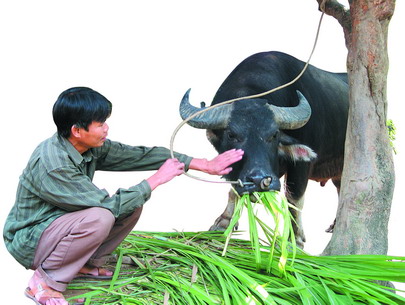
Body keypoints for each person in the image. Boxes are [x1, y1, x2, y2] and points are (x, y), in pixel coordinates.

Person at [3, 87, 244, 305]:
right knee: (101, 217)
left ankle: (85, 264)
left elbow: (139, 155)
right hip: (30, 238)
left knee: (130, 204)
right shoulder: (53, 164)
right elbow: (107, 207)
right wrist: (156, 180)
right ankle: (44, 283)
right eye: (100, 124)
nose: (106, 128)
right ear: (77, 130)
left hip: (59, 223)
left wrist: (201, 163)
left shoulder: (88, 145)